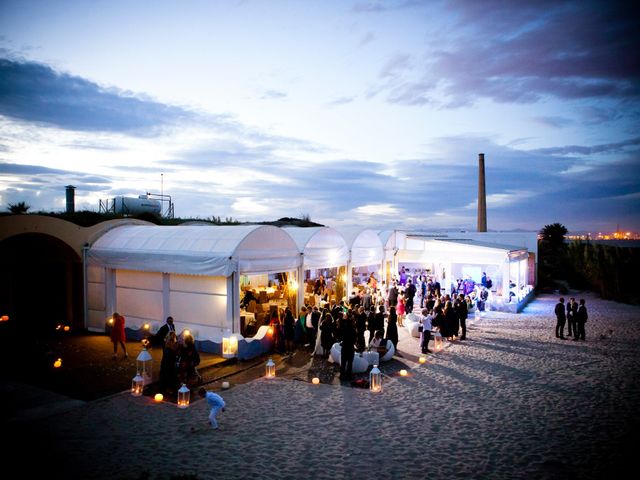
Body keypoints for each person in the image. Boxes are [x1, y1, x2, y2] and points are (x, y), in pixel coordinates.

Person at [339, 315, 356, 381]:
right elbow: (354, 340)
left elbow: (341, 337)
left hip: (344, 347)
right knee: (350, 363)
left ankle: (342, 375)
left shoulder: (343, 329)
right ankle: (349, 376)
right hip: (350, 347)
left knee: (343, 362)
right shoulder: (353, 330)